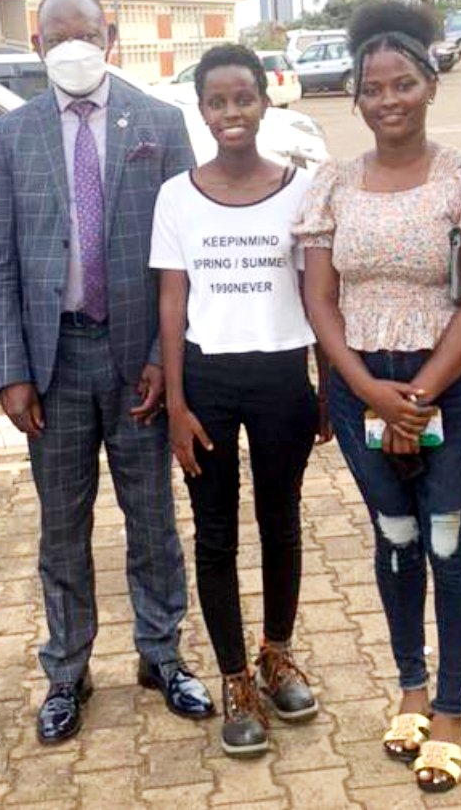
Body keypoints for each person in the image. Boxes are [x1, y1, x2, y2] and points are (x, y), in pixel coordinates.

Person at [0, 0, 213, 745]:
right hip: (53, 363)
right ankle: (66, 670)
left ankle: (162, 656)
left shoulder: (158, 122)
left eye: (85, 33)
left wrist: (161, 358)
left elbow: (184, 255)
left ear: (108, 37)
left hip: (138, 362)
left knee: (153, 521)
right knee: (62, 529)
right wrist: (10, 372)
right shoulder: (11, 135)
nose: (72, 46)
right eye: (57, 36)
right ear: (37, 44)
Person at [295, 1, 461, 793]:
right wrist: (365, 391)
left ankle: (452, 708)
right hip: (363, 383)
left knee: (449, 540)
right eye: (373, 89)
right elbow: (320, 300)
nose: (389, 100)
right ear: (355, 98)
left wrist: (415, 399)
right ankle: (412, 690)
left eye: (404, 84)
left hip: (452, 386)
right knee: (395, 536)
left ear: (430, 85)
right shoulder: (332, 185)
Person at [151, 44, 330, 757]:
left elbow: (319, 296)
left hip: (284, 375)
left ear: (265, 101)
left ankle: (276, 654)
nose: (231, 112)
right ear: (202, 109)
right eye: (217, 101)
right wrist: (175, 401)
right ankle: (235, 679)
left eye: (243, 98)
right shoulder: (177, 195)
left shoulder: (300, 190)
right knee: (216, 533)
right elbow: (172, 301)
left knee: (280, 520)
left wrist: (324, 384)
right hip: (208, 381)